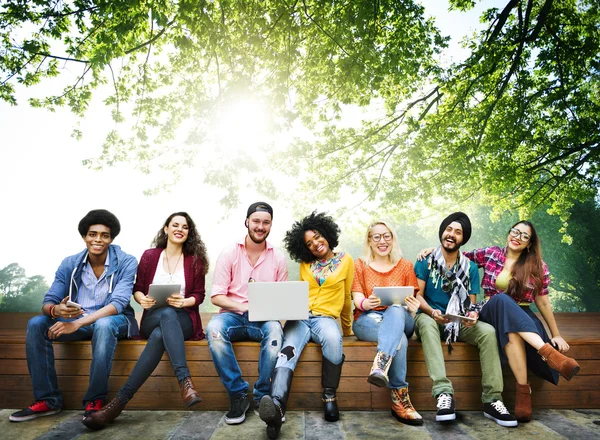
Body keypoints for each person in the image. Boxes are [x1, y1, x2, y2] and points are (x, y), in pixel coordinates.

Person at [9, 209, 139, 424]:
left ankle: (95, 400)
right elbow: (49, 300)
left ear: (111, 239)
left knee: (104, 325)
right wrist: (56, 311)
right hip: (78, 321)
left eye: (104, 235)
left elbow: (118, 304)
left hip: (116, 321)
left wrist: (75, 323)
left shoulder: (126, 261)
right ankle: (48, 400)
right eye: (92, 234)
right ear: (84, 237)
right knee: (36, 324)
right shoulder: (70, 263)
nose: (98, 239)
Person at [82, 212, 209, 430]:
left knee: (165, 327)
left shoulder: (194, 260)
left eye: (185, 227)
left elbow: (199, 295)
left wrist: (185, 302)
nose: (180, 229)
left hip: (184, 320)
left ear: (189, 233)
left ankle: (116, 405)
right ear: (166, 229)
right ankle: (185, 381)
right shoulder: (150, 256)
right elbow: (137, 288)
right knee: (164, 317)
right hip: (153, 317)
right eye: (175, 225)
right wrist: (143, 300)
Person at [462, 221, 580, 422]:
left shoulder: (538, 266)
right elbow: (457, 257)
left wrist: (556, 334)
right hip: (490, 309)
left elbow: (542, 301)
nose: (517, 237)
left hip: (522, 316)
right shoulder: (491, 253)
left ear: (529, 243)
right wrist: (434, 250)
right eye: (515, 232)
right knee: (501, 299)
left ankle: (523, 393)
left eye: (524, 236)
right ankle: (551, 355)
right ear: (509, 233)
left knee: (513, 331)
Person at [413, 212, 517, 427]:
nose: (451, 235)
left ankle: (492, 399)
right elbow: (417, 296)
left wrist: (471, 315)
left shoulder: (469, 267)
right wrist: (432, 312)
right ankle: (443, 394)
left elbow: (470, 304)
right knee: (424, 321)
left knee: (487, 331)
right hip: (431, 318)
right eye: (449, 230)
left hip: (456, 323)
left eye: (458, 232)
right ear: (442, 232)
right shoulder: (426, 260)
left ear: (463, 239)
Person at [259, 211, 353, 440]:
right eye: (309, 244)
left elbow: (348, 296)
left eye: (318, 237)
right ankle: (277, 406)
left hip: (326, 319)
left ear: (327, 234)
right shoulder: (305, 264)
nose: (315, 244)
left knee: (333, 340)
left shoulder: (346, 261)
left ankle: (329, 397)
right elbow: (300, 293)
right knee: (286, 351)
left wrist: (348, 328)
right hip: (300, 317)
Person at [206, 202, 287, 425]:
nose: (260, 226)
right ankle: (238, 395)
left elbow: (281, 298)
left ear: (271, 225)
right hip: (232, 315)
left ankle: (262, 396)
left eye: (266, 222)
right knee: (213, 328)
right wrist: (244, 307)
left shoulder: (278, 257)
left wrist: (277, 308)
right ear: (247, 222)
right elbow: (216, 297)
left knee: (274, 331)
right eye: (256, 221)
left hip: (262, 320)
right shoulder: (229, 252)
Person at [351, 220, 423, 425]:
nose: (382, 241)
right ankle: (400, 401)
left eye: (387, 236)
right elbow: (357, 300)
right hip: (368, 320)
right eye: (377, 237)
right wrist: (366, 303)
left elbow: (413, 300)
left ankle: (380, 365)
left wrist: (412, 306)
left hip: (402, 317)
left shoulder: (405, 265)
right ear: (370, 240)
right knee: (397, 337)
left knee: (396, 309)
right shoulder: (360, 265)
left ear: (392, 239)